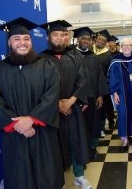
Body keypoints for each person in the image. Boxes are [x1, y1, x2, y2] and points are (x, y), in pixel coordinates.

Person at [0, 17, 64, 189]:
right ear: (9, 42)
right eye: (17, 39)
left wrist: (31, 119)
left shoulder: (46, 65)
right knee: (19, 177)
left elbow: (52, 95)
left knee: (47, 175)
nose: (22, 43)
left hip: (42, 132)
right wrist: (16, 124)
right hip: (14, 134)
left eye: (26, 38)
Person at [39, 20, 92, 189]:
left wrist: (72, 100)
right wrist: (56, 104)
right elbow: (37, 86)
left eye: (63, 35)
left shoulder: (75, 55)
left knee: (76, 142)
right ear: (48, 37)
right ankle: (57, 181)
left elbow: (82, 79)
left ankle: (79, 176)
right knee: (54, 147)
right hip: (51, 111)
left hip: (73, 107)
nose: (60, 38)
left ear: (67, 37)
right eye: (56, 35)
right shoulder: (40, 58)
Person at [73, 26, 108, 160]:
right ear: (78, 40)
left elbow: (100, 77)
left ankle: (92, 147)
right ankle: (80, 149)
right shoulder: (71, 55)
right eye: (83, 39)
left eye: (88, 39)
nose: (86, 41)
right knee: (79, 126)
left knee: (93, 124)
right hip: (77, 99)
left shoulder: (94, 57)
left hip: (92, 97)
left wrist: (100, 95)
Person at [93, 29, 116, 131]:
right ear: (96, 39)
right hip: (92, 84)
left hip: (104, 84)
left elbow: (111, 71)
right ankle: (97, 124)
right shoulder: (90, 51)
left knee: (107, 104)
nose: (100, 41)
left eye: (103, 40)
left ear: (106, 42)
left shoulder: (108, 55)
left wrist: (107, 83)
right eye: (99, 39)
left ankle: (111, 120)